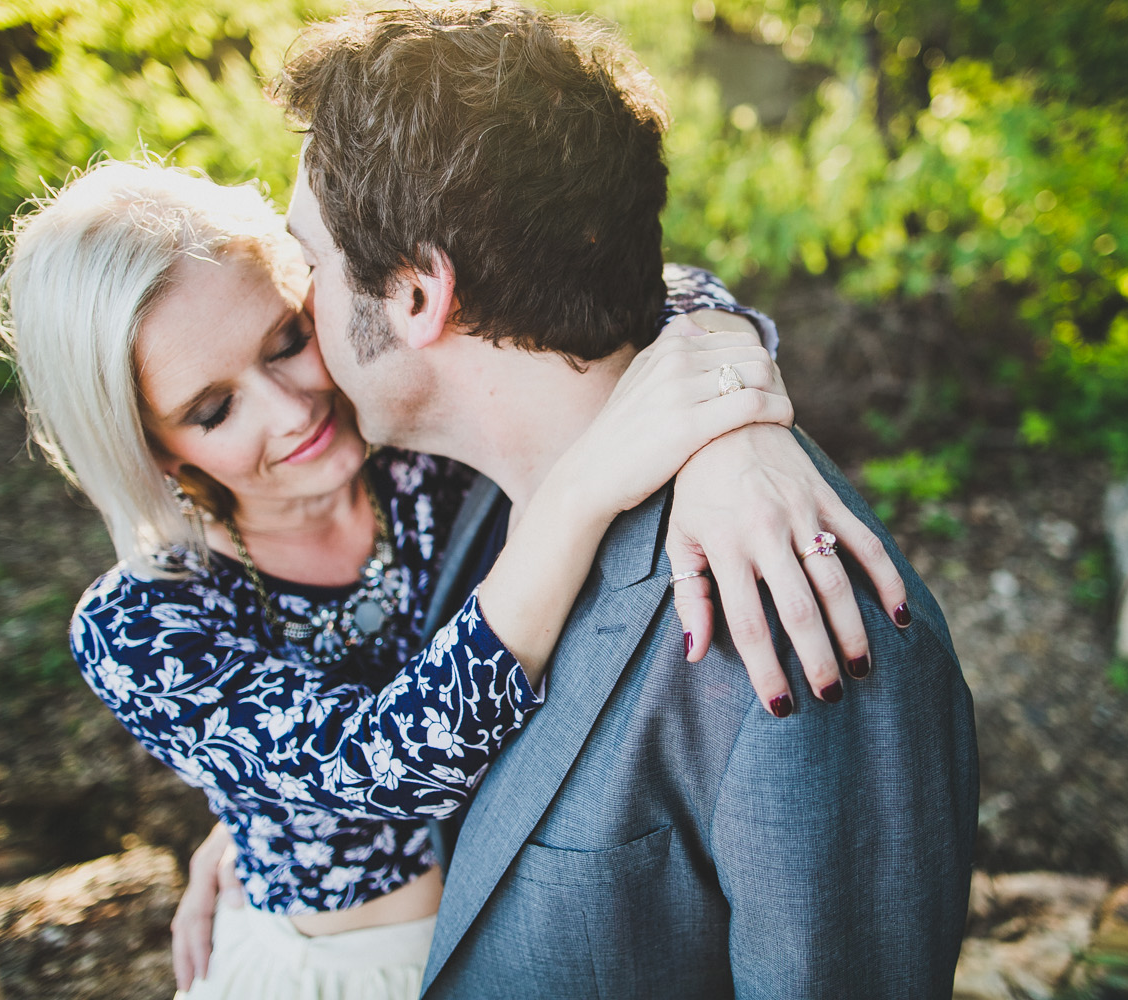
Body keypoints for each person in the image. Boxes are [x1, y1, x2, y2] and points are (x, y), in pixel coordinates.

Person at [0, 159, 910, 997]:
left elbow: (647, 297)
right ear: (154, 451)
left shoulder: (414, 446)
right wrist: (578, 496)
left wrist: (732, 438)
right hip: (335, 975)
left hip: (520, 921)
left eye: (286, 338)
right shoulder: (142, 622)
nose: (293, 404)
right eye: (214, 408)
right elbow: (380, 766)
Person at [258, 3, 981, 996]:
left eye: (312, 262)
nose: (294, 301)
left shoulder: (797, 627)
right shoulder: (443, 498)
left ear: (419, 296)